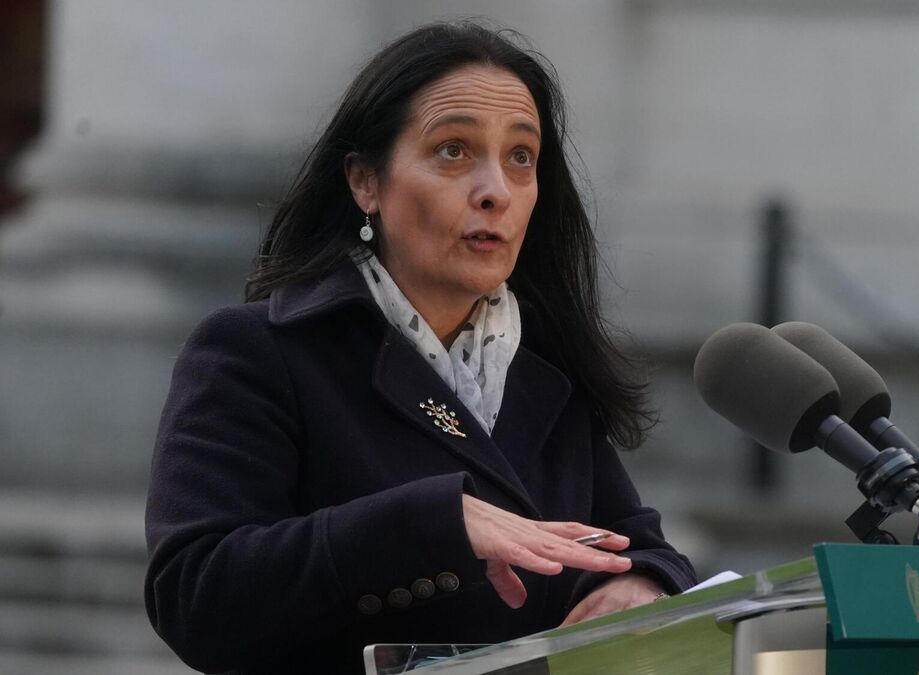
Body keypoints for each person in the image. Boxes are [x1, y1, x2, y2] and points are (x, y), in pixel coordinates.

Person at [143, 21, 696, 675]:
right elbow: (195, 594)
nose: (495, 190)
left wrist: (639, 585)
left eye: (521, 157)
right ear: (365, 182)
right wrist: (433, 525)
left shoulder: (547, 372)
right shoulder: (258, 351)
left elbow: (636, 544)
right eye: (453, 151)